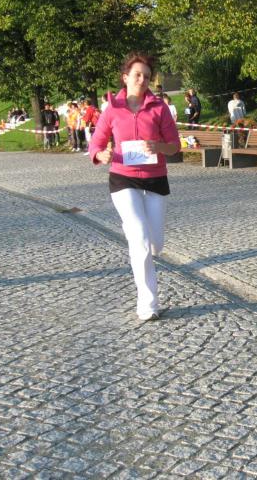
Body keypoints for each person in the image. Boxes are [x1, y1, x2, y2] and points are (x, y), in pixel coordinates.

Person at [89, 53, 180, 321]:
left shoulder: (159, 108)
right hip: (123, 178)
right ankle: (147, 304)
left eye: (147, 76)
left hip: (155, 178)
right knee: (139, 239)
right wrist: (101, 154)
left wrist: (158, 146)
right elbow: (96, 144)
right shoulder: (112, 109)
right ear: (125, 77)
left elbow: (174, 146)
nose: (142, 80)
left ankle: (138, 232)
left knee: (155, 245)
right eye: (137, 75)